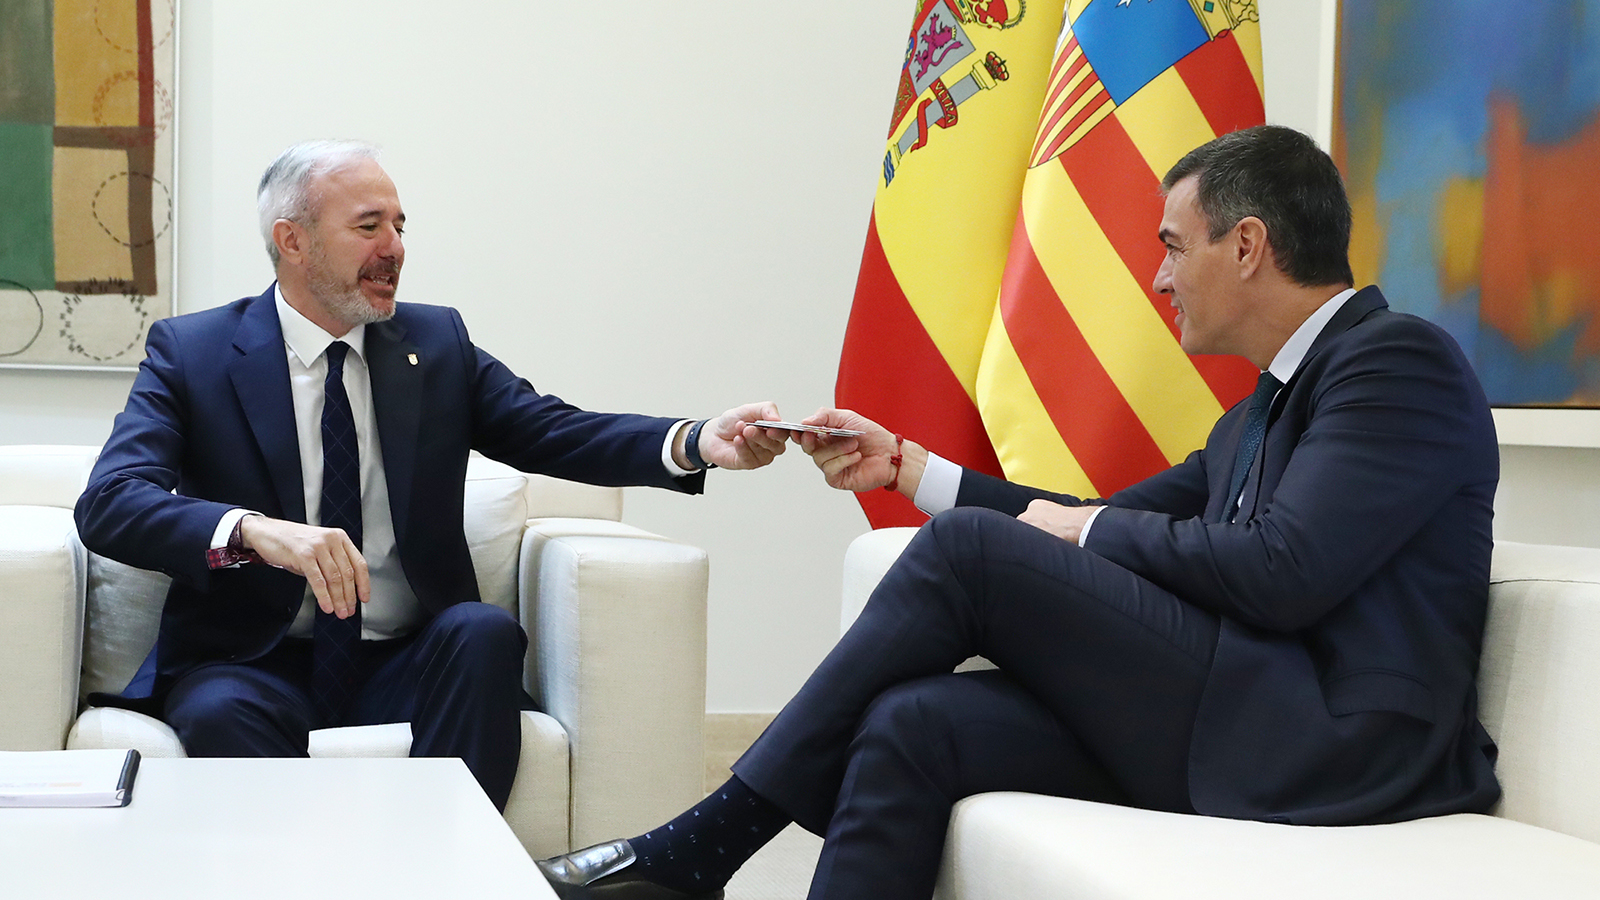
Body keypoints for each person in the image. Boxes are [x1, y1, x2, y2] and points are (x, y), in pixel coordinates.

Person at [535, 125, 1502, 900]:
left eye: (1172, 246)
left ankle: (706, 842)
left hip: (1337, 749)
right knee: (917, 720)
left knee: (966, 554)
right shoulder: (1259, 408)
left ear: (1247, 245)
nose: (1159, 280)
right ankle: (708, 849)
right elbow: (1103, 517)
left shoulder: (1395, 362)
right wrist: (909, 469)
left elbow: (1283, 572)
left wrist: (1079, 531)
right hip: (1245, 711)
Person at [73, 140, 790, 812]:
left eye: (400, 225)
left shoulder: (435, 343)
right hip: (255, 661)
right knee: (215, 711)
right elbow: (109, 502)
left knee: (482, 635)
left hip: (404, 659)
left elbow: (550, 428)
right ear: (293, 241)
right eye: (369, 226)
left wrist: (696, 441)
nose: (395, 248)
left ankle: (447, 869)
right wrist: (256, 534)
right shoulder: (193, 353)